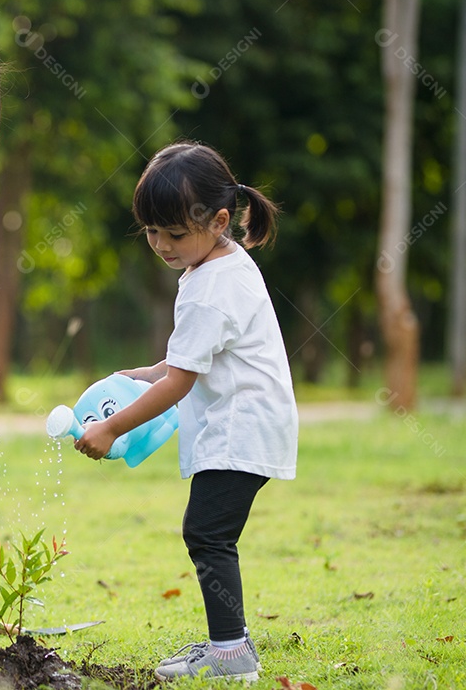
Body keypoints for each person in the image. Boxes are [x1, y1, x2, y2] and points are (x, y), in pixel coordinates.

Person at [74, 141, 298, 682]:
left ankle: (230, 654)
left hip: (239, 432)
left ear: (220, 219)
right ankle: (229, 641)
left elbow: (180, 383)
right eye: (152, 232)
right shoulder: (224, 261)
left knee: (206, 533)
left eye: (175, 234)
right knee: (210, 532)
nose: (162, 245)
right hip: (248, 424)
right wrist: (148, 372)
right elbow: (189, 361)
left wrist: (110, 427)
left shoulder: (209, 287)